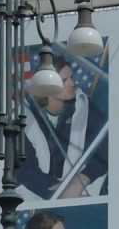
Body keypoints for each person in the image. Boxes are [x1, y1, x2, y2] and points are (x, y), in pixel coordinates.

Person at [18, 55, 108, 200]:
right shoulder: (24, 115)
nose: (72, 83)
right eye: (64, 81)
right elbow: (24, 169)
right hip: (37, 193)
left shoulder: (81, 105)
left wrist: (83, 179)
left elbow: (106, 141)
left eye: (71, 77)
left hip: (79, 186)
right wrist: (59, 192)